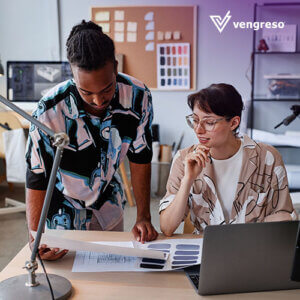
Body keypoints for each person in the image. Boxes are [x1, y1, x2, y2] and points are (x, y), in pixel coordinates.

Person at [26, 20, 158, 260]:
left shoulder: (138, 97)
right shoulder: (49, 111)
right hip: (61, 209)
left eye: (107, 89)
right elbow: (37, 175)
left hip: (108, 202)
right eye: (87, 92)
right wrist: (36, 235)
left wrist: (144, 216)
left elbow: (141, 157)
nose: (98, 100)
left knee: (110, 275)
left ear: (115, 67)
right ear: (72, 74)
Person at [160, 83, 297, 236]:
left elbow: (283, 218)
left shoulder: (268, 158)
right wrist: (188, 179)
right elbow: (167, 227)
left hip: (255, 249)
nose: (198, 130)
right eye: (195, 120)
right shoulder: (184, 159)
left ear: (233, 123)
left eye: (209, 122)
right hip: (204, 252)